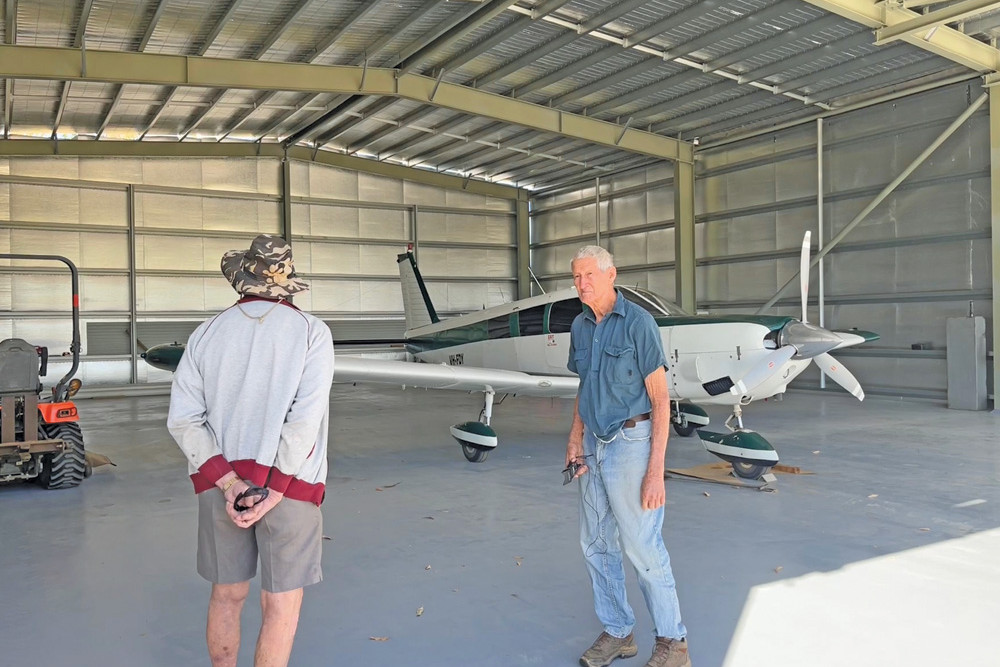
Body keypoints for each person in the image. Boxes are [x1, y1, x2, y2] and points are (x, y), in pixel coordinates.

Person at [167, 234, 335, 667]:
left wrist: (227, 482)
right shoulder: (311, 333)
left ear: (242, 280)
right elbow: (304, 421)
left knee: (226, 595)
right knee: (280, 604)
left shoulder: (205, 334)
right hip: (290, 488)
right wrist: (275, 488)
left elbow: (183, 419)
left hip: (221, 486)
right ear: (287, 282)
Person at [565, 245, 690, 667]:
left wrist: (656, 472)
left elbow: (660, 400)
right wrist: (574, 439)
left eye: (589, 276)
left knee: (641, 545)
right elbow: (585, 387)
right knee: (595, 543)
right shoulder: (581, 326)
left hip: (631, 446)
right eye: (576, 277)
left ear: (611, 274)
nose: (582, 284)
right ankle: (619, 631)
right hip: (592, 446)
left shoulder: (639, 324)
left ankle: (673, 642)